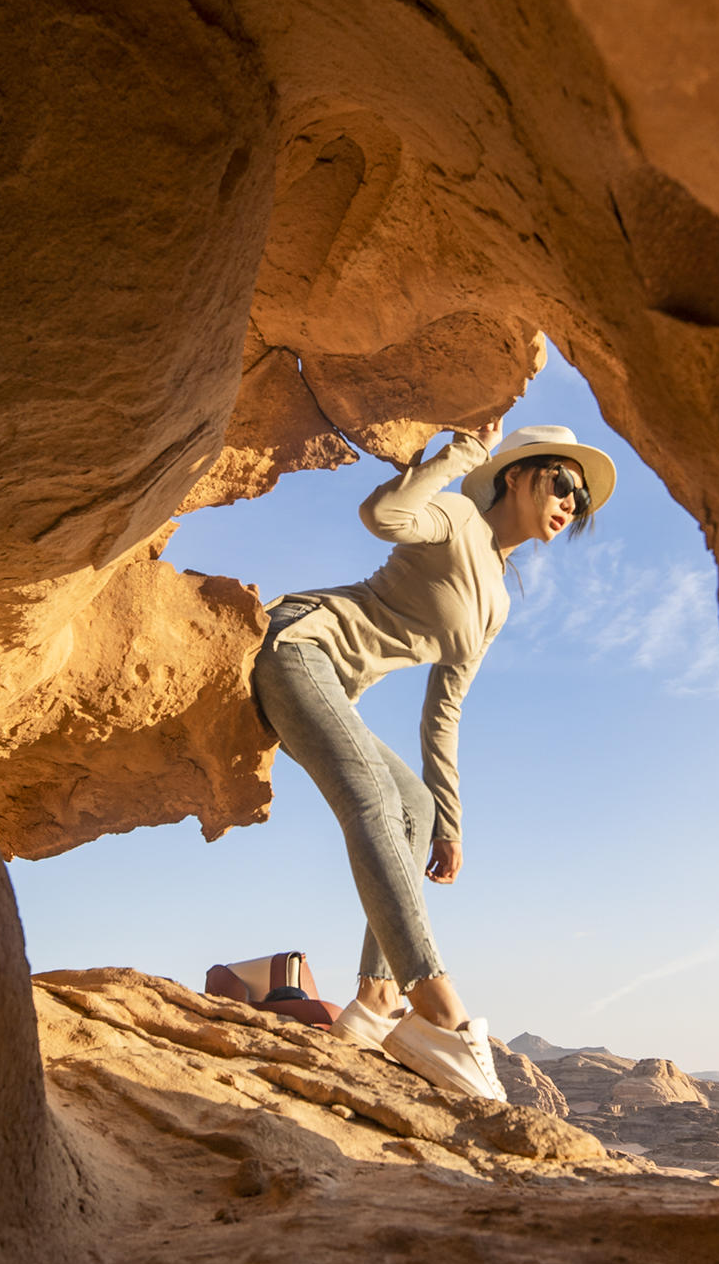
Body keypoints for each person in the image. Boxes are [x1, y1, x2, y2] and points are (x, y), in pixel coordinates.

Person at [251, 421, 616, 1102]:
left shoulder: (498, 602)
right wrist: (465, 453)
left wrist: (449, 823)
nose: (572, 503)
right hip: (299, 645)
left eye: (582, 500)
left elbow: (443, 712)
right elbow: (383, 514)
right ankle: (440, 1011)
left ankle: (377, 998)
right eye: (563, 481)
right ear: (518, 474)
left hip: (331, 687)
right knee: (374, 801)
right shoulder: (456, 518)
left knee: (413, 808)